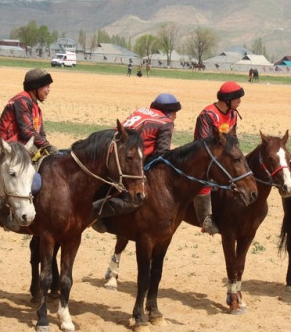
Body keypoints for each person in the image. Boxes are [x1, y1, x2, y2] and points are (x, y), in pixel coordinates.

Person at [91, 93, 182, 232]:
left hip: (109, 155)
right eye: (175, 113)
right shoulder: (166, 123)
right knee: (135, 200)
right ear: (169, 112)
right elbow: (161, 154)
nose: (175, 117)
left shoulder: (140, 111)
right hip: (128, 163)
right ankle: (95, 213)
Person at [193, 81, 244, 235]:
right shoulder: (207, 115)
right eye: (238, 99)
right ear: (227, 100)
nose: (240, 102)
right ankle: (205, 220)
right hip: (205, 157)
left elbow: (232, 138)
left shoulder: (233, 114)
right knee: (204, 182)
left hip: (224, 156)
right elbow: (203, 145)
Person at [0, 68, 57, 155]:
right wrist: (47, 147)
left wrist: (47, 148)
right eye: (46, 86)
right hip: (5, 148)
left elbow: (41, 134)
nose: (49, 90)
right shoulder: (21, 101)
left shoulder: (36, 108)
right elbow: (27, 132)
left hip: (21, 145)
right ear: (36, 87)